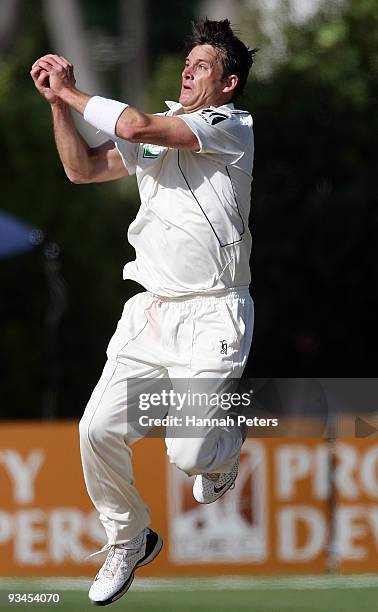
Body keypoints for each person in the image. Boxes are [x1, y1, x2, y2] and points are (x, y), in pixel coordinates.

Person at [31, 18, 256, 606]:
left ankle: (224, 451)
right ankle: (129, 538)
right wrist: (59, 105)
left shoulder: (228, 126)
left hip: (213, 313)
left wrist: (73, 89)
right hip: (151, 314)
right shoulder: (154, 136)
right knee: (96, 430)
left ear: (228, 84)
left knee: (189, 454)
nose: (187, 70)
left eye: (202, 66)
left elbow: (131, 122)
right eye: (188, 63)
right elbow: (81, 170)